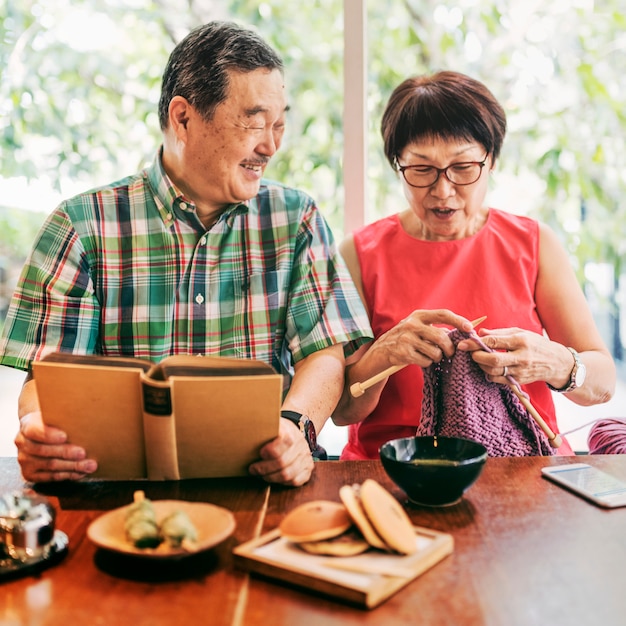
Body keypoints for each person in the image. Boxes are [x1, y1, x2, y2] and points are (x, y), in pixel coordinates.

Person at [0, 21, 372, 484]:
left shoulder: (296, 218)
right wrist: (38, 432)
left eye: (279, 124)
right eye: (255, 121)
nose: (271, 145)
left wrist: (295, 427)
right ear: (183, 118)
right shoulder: (80, 226)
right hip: (122, 494)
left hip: (265, 486)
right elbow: (48, 379)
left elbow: (325, 355)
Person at [333, 71, 616, 460]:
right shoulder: (359, 254)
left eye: (463, 167)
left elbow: (602, 383)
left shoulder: (533, 244)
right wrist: (386, 353)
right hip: (395, 468)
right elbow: (341, 410)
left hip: (521, 464)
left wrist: (553, 361)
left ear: (492, 160)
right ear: (397, 165)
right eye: (421, 169)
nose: (443, 190)